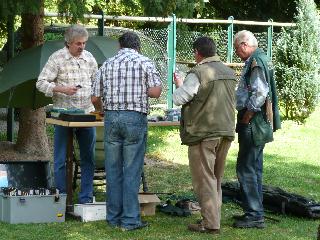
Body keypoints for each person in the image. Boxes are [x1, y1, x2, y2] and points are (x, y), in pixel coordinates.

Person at [91, 32, 162, 231]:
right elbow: (156, 92)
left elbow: (95, 98)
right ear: (137, 47)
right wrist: (142, 89)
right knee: (131, 170)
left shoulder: (107, 63)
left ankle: (113, 218)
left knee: (112, 170)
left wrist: (102, 109)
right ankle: (130, 220)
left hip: (112, 118)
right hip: (135, 118)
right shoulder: (144, 61)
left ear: (119, 46)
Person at [173, 36, 237, 235]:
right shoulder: (229, 72)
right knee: (215, 179)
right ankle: (211, 219)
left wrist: (180, 84)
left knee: (205, 180)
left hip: (203, 133)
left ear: (197, 53)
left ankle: (211, 224)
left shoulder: (199, 72)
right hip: (226, 130)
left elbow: (179, 98)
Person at [36, 24, 98, 204]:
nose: (82, 47)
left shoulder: (89, 57)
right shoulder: (57, 58)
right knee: (61, 158)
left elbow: (97, 81)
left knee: (88, 158)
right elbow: (40, 83)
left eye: (84, 43)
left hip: (87, 113)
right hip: (64, 116)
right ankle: (61, 198)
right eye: (78, 43)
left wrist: (97, 100)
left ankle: (86, 198)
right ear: (68, 43)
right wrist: (61, 89)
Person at [233, 30, 281, 228]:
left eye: (237, 49)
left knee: (246, 168)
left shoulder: (255, 61)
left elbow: (260, 92)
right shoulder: (262, 58)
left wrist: (248, 114)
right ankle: (255, 210)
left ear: (244, 44)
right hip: (261, 124)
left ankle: (254, 214)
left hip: (254, 124)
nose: (236, 53)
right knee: (255, 167)